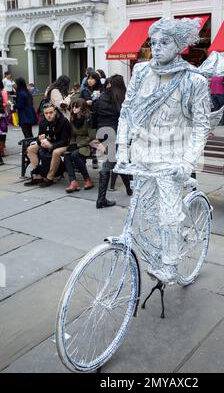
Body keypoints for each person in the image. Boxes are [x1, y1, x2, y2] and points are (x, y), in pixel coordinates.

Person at [115, 17, 211, 284]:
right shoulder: (141, 71)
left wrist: (187, 162)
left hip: (172, 159)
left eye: (164, 42)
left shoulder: (193, 80)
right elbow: (127, 111)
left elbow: (202, 126)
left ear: (178, 45)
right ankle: (162, 247)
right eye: (153, 42)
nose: (156, 47)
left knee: (169, 216)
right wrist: (122, 148)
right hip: (143, 155)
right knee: (145, 211)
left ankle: (170, 265)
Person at [94, 74, 132, 208]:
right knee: (109, 164)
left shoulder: (101, 98)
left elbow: (95, 115)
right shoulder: (123, 99)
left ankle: (129, 189)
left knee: (119, 160)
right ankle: (101, 199)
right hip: (116, 134)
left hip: (104, 133)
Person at [24, 102, 70, 187]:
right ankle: (37, 176)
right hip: (48, 143)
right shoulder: (43, 122)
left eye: (51, 112)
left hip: (63, 145)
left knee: (55, 152)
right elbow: (39, 137)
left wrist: (51, 146)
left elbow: (65, 140)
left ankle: (50, 178)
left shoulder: (63, 121)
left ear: (55, 112)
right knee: (31, 149)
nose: (48, 115)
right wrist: (40, 140)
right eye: (46, 113)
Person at [64, 98, 95, 193]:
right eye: (73, 106)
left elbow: (92, 136)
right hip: (76, 144)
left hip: (88, 144)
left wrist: (78, 145)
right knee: (67, 154)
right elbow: (72, 136)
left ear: (83, 107)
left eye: (76, 106)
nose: (74, 108)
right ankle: (73, 181)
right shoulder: (73, 118)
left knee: (74, 155)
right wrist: (72, 144)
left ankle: (87, 180)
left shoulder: (89, 118)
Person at [0, 79, 8, 165]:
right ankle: (2, 151)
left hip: (1, 114)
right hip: (3, 114)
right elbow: (5, 103)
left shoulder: (3, 92)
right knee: (3, 133)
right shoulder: (3, 92)